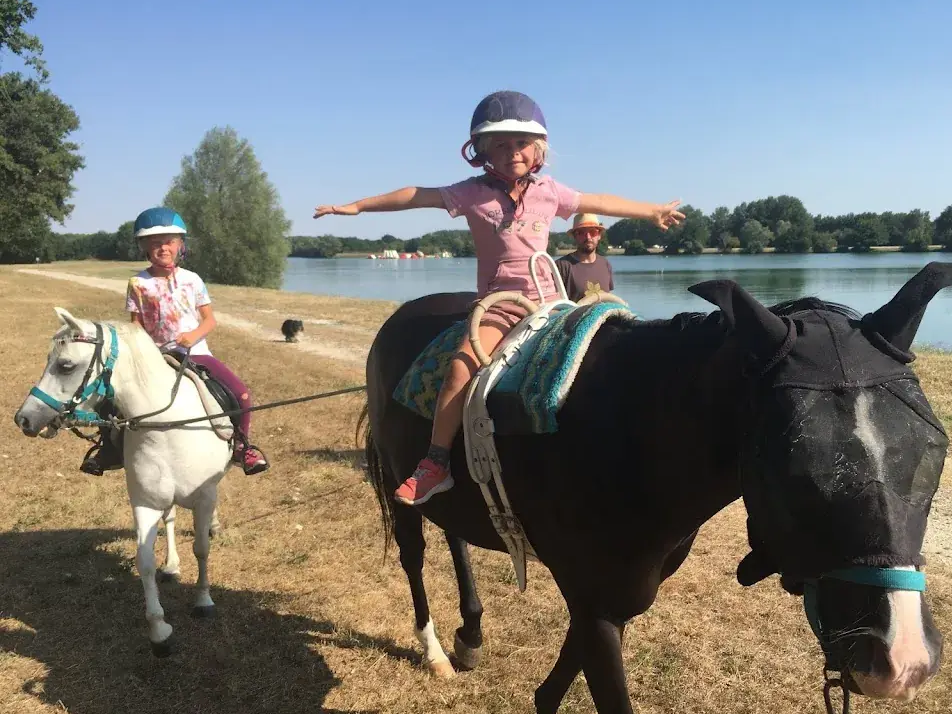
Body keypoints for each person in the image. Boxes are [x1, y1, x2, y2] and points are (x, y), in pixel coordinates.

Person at [314, 90, 685, 506]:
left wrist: (651, 210)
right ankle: (436, 463)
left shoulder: (550, 192)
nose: (513, 153)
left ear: (538, 149)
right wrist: (358, 207)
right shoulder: (471, 193)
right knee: (460, 368)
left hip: (553, 302)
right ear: (483, 149)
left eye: (522, 144)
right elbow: (417, 195)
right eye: (502, 144)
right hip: (502, 305)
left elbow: (600, 200)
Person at [80, 207, 269, 476]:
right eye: (154, 243)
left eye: (169, 242)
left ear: (181, 245)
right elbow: (136, 325)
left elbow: (209, 320)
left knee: (241, 393)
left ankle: (242, 446)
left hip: (195, 352)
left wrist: (193, 336)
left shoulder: (192, 280)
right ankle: (109, 450)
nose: (162, 248)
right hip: (153, 355)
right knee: (111, 397)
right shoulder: (138, 283)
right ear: (143, 247)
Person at [556, 212, 615, 302]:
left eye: (592, 232)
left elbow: (609, 298)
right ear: (574, 236)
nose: (588, 237)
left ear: (599, 235)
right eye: (581, 233)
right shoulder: (562, 266)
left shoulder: (605, 264)